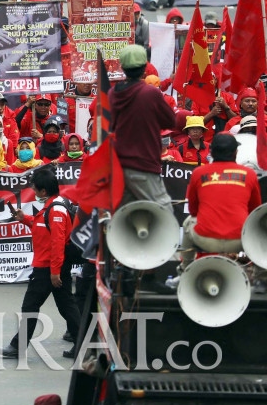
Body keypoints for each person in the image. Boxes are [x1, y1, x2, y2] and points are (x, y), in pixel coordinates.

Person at [2, 167, 81, 360]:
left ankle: (17, 347)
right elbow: (42, 228)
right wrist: (25, 219)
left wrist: (54, 272)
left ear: (44, 191)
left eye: (35, 189)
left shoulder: (55, 211)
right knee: (66, 306)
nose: (34, 192)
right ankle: (83, 343)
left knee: (30, 305)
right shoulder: (53, 207)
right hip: (51, 266)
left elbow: (57, 243)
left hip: (48, 268)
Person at [179, 134, 262, 273]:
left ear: (211, 152)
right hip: (241, 240)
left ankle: (184, 270)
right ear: (236, 152)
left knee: (188, 221)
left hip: (205, 239)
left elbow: (193, 210)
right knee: (261, 224)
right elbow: (255, 212)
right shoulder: (250, 174)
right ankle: (261, 274)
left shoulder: (198, 172)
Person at [109, 44, 176, 211]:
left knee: (122, 213)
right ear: (145, 68)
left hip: (118, 165)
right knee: (165, 211)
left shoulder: (113, 94)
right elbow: (170, 121)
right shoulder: (150, 93)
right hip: (144, 164)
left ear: (123, 68)